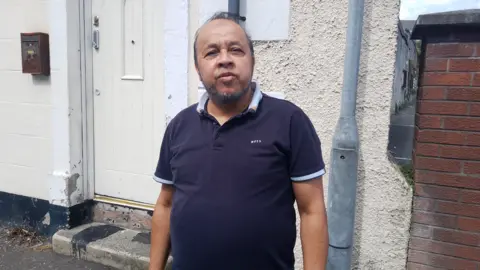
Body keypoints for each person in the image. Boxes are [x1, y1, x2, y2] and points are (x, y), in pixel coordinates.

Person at [149, 11, 328, 270]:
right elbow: (165, 205)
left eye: (236, 50)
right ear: (198, 68)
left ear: (252, 61)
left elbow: (312, 210)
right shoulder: (179, 126)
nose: (225, 60)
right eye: (211, 52)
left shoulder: (289, 121)